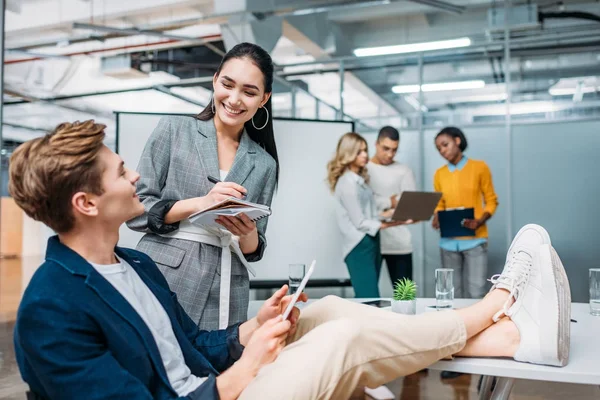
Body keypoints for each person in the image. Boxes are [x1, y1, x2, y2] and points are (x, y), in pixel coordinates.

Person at [11, 120, 571, 400]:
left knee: (326, 311)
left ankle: (508, 340)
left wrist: (253, 327)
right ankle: (497, 312)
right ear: (86, 203)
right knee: (342, 338)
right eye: (121, 172)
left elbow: (194, 346)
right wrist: (250, 366)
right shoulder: (51, 308)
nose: (136, 176)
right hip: (219, 394)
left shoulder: (135, 266)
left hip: (219, 379)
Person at [127, 42, 278, 330]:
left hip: (228, 282)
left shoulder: (264, 163)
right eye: (228, 84)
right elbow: (136, 210)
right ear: (214, 79)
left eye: (249, 92)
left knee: (219, 365)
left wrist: (247, 236)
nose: (234, 99)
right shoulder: (174, 131)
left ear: (263, 98)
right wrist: (200, 204)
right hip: (166, 274)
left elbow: (255, 246)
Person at [327, 132, 408, 298]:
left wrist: (392, 216)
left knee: (372, 297)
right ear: (348, 153)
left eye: (365, 150)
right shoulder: (347, 183)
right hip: (359, 245)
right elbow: (360, 222)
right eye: (359, 152)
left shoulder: (360, 180)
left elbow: (370, 215)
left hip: (371, 241)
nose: (365, 155)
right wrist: (392, 224)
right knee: (368, 297)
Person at [432, 127, 499, 299]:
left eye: (445, 145)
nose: (442, 151)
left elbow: (491, 200)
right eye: (439, 148)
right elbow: (440, 203)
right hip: (448, 242)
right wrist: (437, 216)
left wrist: (480, 220)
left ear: (457, 141)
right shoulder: (439, 174)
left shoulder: (479, 167)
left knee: (476, 292)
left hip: (475, 240)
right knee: (449, 294)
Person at [368, 126, 417, 285]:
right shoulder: (363, 169)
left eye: (394, 150)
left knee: (405, 296)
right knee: (368, 297)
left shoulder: (403, 170)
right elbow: (363, 205)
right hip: (370, 241)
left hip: (399, 243)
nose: (390, 154)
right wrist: (391, 201)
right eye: (385, 148)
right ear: (376, 144)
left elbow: (409, 206)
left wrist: (379, 207)